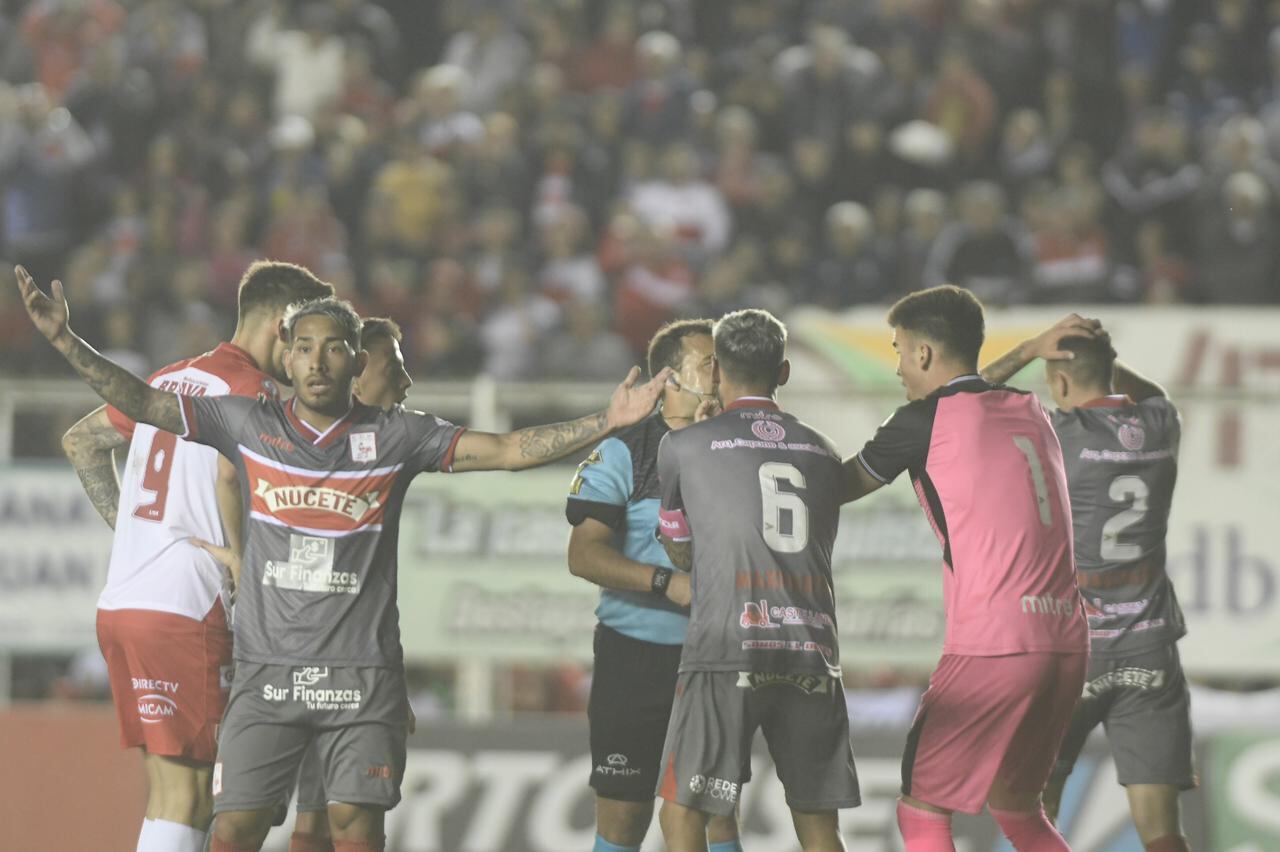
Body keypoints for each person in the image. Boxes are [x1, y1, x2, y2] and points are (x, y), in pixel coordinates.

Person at [15, 268, 671, 852]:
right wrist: (68, 342)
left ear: (354, 359)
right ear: (288, 356)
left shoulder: (397, 436)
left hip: (359, 679)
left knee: (355, 825)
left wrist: (605, 422)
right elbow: (143, 403)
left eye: (333, 348)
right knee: (236, 827)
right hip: (268, 676)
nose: (318, 362)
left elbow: (506, 448)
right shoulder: (246, 422)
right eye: (304, 348)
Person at [59, 261, 333, 852]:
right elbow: (231, 479)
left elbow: (81, 442)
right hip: (189, 608)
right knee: (192, 798)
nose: (312, 359)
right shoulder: (255, 396)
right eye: (307, 339)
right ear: (283, 326)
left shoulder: (171, 378)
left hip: (126, 600)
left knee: (168, 796)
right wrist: (240, 555)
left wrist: (137, 535)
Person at [840, 286, 1089, 852]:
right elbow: (972, 389)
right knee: (1019, 809)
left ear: (923, 354)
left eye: (901, 350)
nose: (899, 365)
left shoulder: (918, 422)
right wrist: (1026, 349)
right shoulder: (1032, 412)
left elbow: (835, 487)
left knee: (921, 810)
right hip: (1064, 645)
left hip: (993, 647)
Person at [196, 317, 414, 852]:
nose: (406, 381)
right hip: (287, 653)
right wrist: (243, 559)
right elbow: (228, 476)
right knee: (282, 815)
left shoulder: (382, 445)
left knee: (320, 816)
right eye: (396, 365)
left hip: (348, 665)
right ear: (360, 375)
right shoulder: (290, 435)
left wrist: (391, 680)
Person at [981, 318, 1195, 852]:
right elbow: (1156, 394)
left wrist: (1032, 348)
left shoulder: (1053, 435)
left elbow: (962, 405)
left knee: (1029, 803)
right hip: (1149, 646)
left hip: (1069, 650)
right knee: (1162, 825)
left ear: (1056, 382)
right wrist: (1098, 355)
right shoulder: (1160, 423)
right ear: (1109, 373)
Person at [655, 309, 860, 852]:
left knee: (682, 816)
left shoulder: (683, 446)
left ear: (717, 369)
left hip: (728, 644)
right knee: (819, 828)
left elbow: (681, 552)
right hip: (812, 648)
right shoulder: (824, 451)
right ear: (784, 372)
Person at [566, 319, 742, 852]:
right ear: (669, 377)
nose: (721, 372)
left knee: (717, 820)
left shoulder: (737, 441)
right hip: (633, 657)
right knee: (623, 819)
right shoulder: (626, 451)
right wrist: (666, 581)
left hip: (712, 657)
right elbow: (583, 554)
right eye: (708, 362)